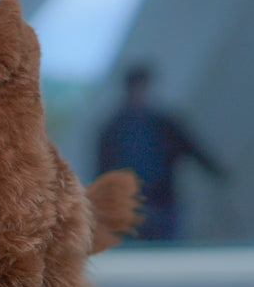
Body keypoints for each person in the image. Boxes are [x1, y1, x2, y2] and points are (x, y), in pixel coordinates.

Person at [97, 64, 227, 241]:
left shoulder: (163, 123)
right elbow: (103, 168)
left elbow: (192, 149)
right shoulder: (114, 128)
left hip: (163, 201)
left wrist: (217, 172)